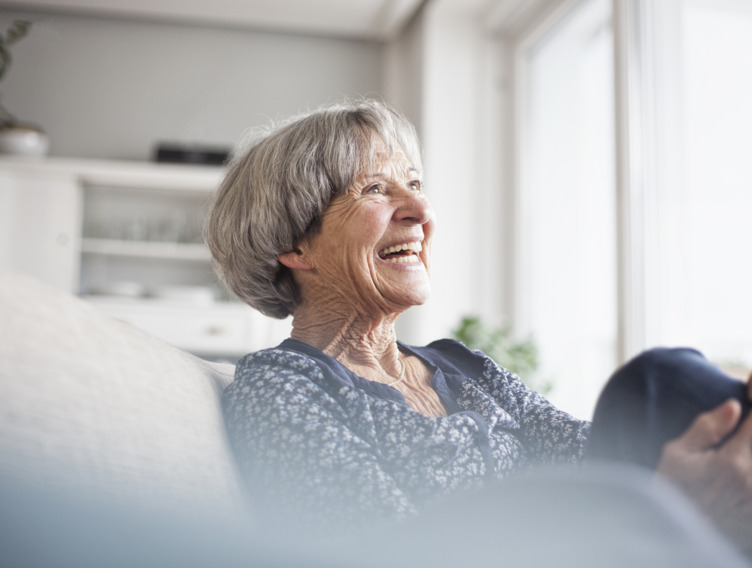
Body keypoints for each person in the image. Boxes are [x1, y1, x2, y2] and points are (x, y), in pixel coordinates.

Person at [205, 98, 752, 549]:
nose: (420, 209)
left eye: (415, 183)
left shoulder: (463, 367)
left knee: (659, 385)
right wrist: (665, 506)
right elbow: (378, 552)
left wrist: (685, 471)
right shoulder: (281, 387)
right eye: (375, 188)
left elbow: (597, 450)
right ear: (293, 245)